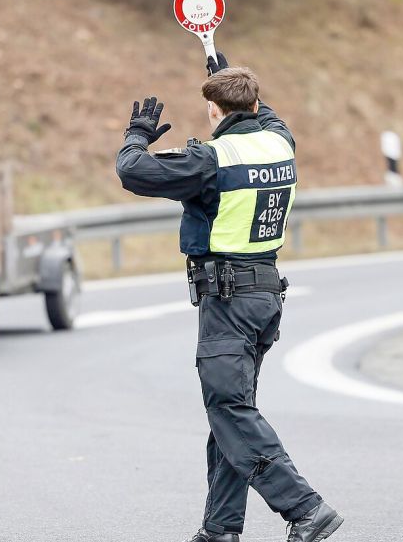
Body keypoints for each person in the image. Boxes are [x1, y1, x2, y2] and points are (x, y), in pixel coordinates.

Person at [115, 53, 343, 542]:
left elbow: (132, 171)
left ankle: (306, 508)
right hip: (265, 295)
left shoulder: (210, 160)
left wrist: (138, 134)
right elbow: (265, 111)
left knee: (229, 409)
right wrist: (225, 72)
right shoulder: (280, 143)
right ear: (255, 102)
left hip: (228, 299)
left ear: (215, 113)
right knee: (232, 409)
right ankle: (220, 529)